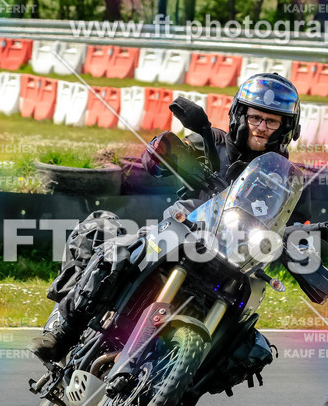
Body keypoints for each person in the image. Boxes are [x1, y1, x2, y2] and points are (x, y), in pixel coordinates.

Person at [27, 73, 304, 371]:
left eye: (271, 121)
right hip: (181, 237)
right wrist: (166, 153)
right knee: (116, 249)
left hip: (236, 263)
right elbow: (159, 158)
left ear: (285, 129)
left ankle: (174, 392)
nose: (261, 127)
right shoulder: (213, 142)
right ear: (240, 115)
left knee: (245, 343)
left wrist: (307, 241)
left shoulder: (287, 181)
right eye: (256, 117)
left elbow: (295, 226)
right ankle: (62, 330)